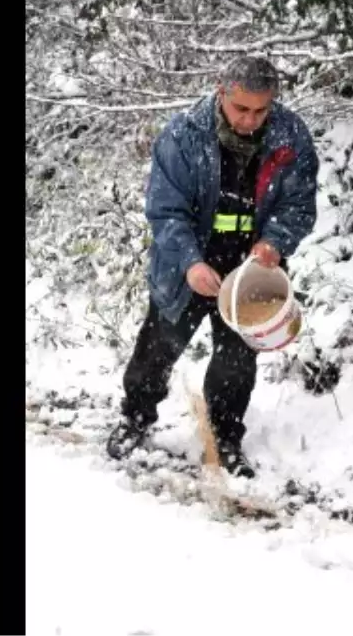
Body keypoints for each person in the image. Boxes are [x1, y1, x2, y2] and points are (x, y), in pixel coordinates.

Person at [106, 56, 319, 478]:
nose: (250, 121)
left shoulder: (290, 136)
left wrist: (274, 242)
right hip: (190, 264)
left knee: (237, 361)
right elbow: (166, 212)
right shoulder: (185, 134)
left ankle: (225, 438)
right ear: (221, 92)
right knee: (158, 347)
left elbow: (298, 204)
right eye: (242, 109)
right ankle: (135, 418)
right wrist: (190, 263)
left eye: (261, 110)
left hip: (251, 270)